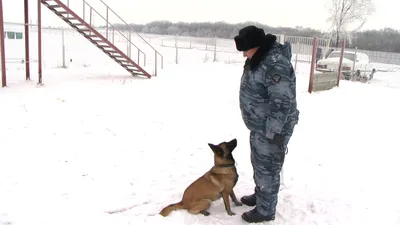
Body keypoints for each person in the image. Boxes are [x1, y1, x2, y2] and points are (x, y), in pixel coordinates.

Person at [234, 25, 299, 223]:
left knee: (268, 168)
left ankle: (266, 210)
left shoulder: (275, 63)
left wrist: (273, 132)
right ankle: (261, 196)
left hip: (272, 129)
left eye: (246, 49)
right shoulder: (258, 58)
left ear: (256, 46)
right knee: (260, 164)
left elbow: (282, 101)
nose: (244, 54)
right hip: (260, 126)